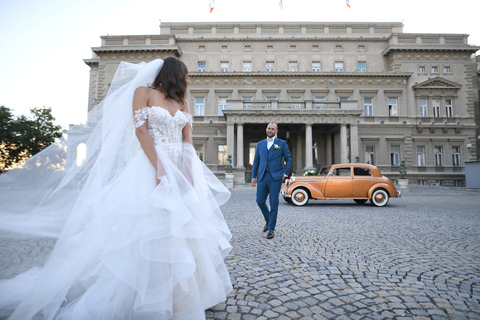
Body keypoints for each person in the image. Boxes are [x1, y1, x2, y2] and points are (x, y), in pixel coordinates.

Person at [0, 57, 233, 319]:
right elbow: (141, 132)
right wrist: (160, 168)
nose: (187, 81)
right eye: (185, 75)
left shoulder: (183, 102)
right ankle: (144, 295)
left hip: (180, 165)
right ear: (173, 74)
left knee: (183, 229)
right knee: (151, 227)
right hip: (150, 164)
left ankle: (183, 294)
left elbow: (188, 139)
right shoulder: (143, 92)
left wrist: (188, 173)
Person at [251, 123, 292, 239]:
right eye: (268, 128)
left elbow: (288, 159)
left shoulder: (282, 144)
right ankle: (268, 220)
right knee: (259, 201)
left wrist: (285, 173)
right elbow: (256, 161)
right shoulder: (260, 144)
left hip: (275, 177)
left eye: (272, 129)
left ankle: (271, 229)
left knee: (274, 203)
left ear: (276, 131)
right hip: (262, 176)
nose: (270, 130)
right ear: (266, 129)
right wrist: (253, 176)